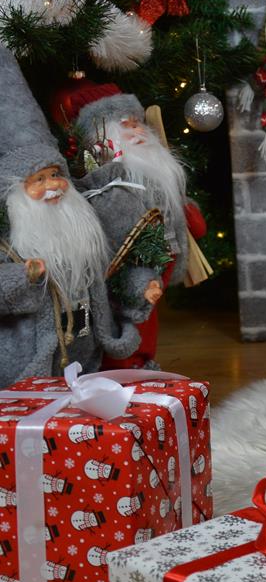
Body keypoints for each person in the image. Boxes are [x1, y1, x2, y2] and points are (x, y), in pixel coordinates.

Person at [0, 46, 157, 386]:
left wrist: (142, 286)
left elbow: (114, 275)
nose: (53, 186)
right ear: (14, 192)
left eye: (56, 175)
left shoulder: (84, 229)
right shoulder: (9, 242)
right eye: (39, 180)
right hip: (27, 369)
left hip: (85, 361)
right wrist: (23, 275)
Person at [51, 80, 207, 369]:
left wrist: (186, 212)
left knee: (148, 317)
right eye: (127, 126)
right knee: (124, 316)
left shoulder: (154, 172)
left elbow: (175, 208)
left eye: (138, 124)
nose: (137, 131)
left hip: (159, 261)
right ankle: (121, 367)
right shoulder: (108, 182)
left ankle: (143, 360)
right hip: (127, 266)